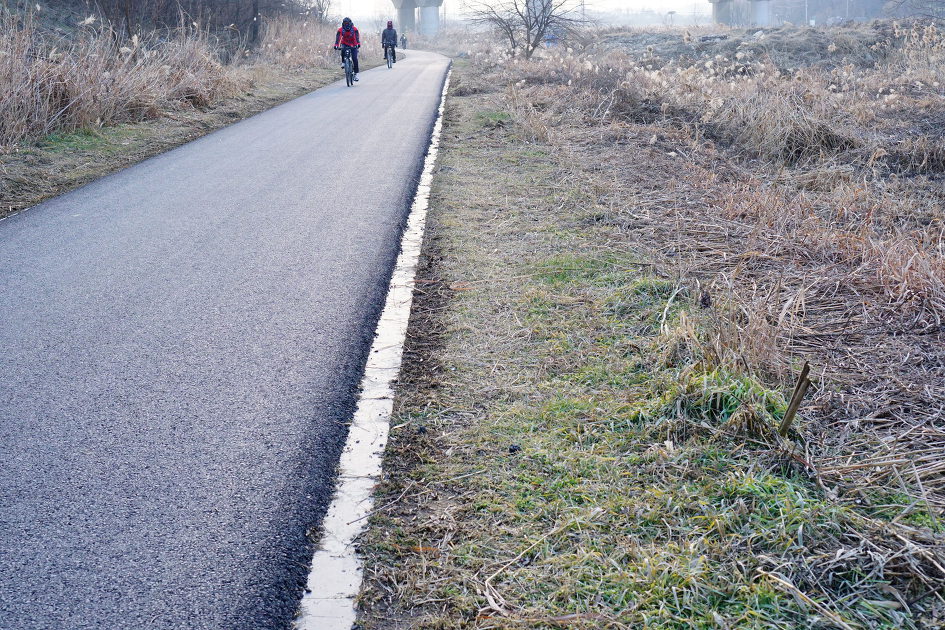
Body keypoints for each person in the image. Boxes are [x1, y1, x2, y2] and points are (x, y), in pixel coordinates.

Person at [333, 17, 361, 81]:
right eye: (345, 23)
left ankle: (355, 74)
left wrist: (358, 44)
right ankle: (343, 62)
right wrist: (336, 45)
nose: (346, 24)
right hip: (345, 44)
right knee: (343, 50)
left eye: (347, 23)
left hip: (353, 45)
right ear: (343, 23)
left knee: (355, 59)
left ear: (350, 23)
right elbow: (338, 37)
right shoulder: (341, 29)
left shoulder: (354, 29)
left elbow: (357, 37)